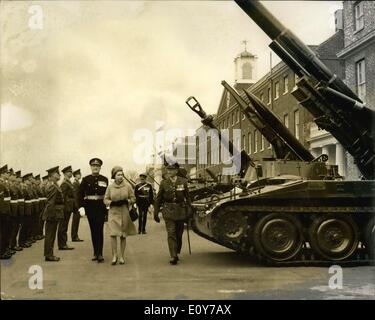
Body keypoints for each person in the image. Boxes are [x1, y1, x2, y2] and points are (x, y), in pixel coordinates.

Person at [154, 163, 191, 265]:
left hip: (180, 210)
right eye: (168, 170)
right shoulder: (164, 183)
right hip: (168, 211)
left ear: (176, 170)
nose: (169, 172)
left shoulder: (183, 182)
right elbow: (158, 198)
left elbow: (187, 197)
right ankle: (173, 255)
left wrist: (189, 210)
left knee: (179, 234)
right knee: (171, 233)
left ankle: (177, 251)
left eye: (171, 170)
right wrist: (156, 212)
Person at [104, 166, 137, 265]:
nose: (120, 176)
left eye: (122, 174)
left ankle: (122, 256)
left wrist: (127, 201)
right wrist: (111, 203)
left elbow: (133, 198)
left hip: (124, 213)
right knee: (113, 234)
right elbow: (105, 199)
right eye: (118, 175)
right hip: (113, 213)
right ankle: (114, 256)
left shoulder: (127, 186)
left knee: (123, 235)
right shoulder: (110, 187)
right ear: (114, 176)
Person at [78, 158, 108, 263]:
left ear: (100, 167)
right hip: (90, 208)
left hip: (101, 207)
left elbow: (107, 194)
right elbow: (80, 194)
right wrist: (81, 207)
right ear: (91, 167)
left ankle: (100, 253)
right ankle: (95, 252)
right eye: (93, 166)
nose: (95, 167)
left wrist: (107, 207)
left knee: (100, 230)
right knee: (93, 230)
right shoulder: (86, 179)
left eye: (97, 166)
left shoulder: (105, 179)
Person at [42, 166, 64, 261]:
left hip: (55, 212)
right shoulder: (52, 186)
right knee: (50, 235)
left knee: (51, 234)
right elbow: (50, 202)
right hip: (53, 213)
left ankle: (49, 254)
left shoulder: (55, 185)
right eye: (57, 173)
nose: (59, 175)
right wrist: (50, 215)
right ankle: (49, 255)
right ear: (52, 175)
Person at [57, 166, 75, 250]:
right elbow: (62, 197)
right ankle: (62, 244)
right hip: (65, 208)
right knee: (63, 226)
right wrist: (63, 207)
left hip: (68, 207)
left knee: (64, 226)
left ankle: (63, 243)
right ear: (65, 173)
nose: (71, 173)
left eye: (71, 172)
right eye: (69, 172)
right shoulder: (64, 183)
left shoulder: (68, 182)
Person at [71, 169, 83, 242]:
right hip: (76, 205)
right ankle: (74, 236)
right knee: (75, 221)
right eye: (79, 174)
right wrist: (77, 206)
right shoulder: (75, 183)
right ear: (75, 175)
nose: (80, 175)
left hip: (77, 204)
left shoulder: (77, 182)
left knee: (76, 221)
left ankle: (75, 235)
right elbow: (75, 196)